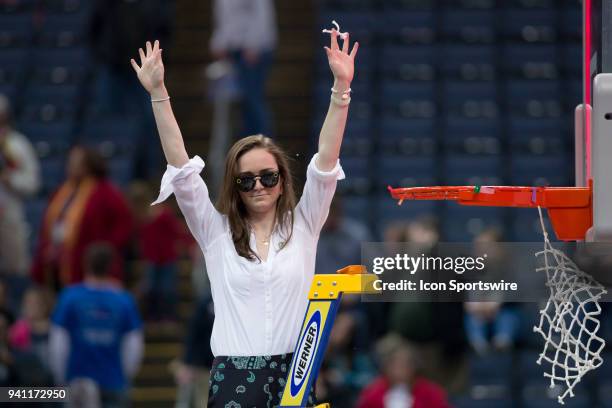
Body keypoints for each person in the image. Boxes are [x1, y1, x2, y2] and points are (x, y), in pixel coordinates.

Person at [130, 27, 358, 405]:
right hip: (233, 380)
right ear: (234, 185)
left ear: (283, 181)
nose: (258, 186)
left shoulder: (305, 224)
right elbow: (182, 170)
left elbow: (326, 163)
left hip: (295, 380)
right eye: (246, 179)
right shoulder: (214, 230)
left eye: (268, 176)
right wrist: (158, 94)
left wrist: (341, 89)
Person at [49, 242, 144, 408]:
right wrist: (125, 375)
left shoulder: (70, 297)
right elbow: (133, 346)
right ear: (110, 266)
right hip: (113, 380)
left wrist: (60, 376)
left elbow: (58, 342)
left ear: (86, 264)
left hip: (77, 378)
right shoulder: (123, 300)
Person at [30, 146, 133, 289]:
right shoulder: (62, 191)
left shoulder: (107, 193)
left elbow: (123, 227)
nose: (70, 166)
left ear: (88, 165)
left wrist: (103, 252)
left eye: (75, 163)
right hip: (57, 264)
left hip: (87, 264)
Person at [210, 0, 277, 136]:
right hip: (235, 50)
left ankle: (264, 142)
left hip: (254, 50)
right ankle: (248, 144)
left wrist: (254, 44)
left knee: (253, 99)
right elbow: (224, 17)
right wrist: (219, 42)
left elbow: (262, 14)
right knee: (243, 102)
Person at [0, 94, 41, 309]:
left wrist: (12, 179)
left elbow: (33, 183)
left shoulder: (17, 145)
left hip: (11, 216)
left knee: (15, 272)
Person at [356, 335, 451, 408]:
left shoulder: (431, 393)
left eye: (406, 365)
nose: (401, 370)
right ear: (386, 367)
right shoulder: (373, 392)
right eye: (395, 365)